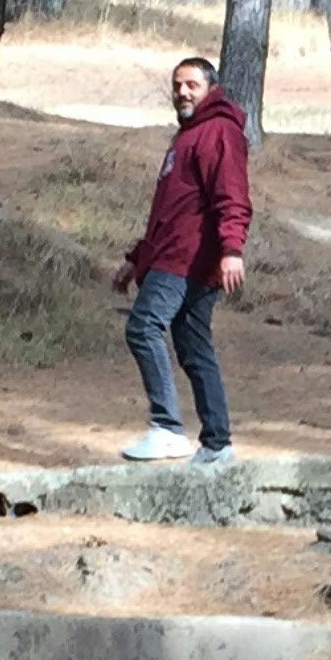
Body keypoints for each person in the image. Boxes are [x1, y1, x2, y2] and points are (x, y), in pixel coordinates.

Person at [111, 55, 252, 461]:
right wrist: (138, 259)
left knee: (143, 326)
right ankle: (217, 446)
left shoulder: (219, 132)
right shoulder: (187, 137)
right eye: (177, 85)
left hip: (190, 259)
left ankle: (167, 427)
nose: (182, 92)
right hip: (171, 255)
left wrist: (232, 250)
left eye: (191, 84)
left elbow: (233, 196)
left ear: (211, 88)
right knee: (193, 347)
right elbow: (169, 212)